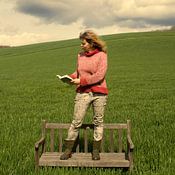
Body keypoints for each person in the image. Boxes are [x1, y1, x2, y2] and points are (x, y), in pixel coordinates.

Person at [60, 30, 108, 160]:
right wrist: (69, 77)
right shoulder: (80, 56)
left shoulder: (102, 55)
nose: (81, 45)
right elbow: (78, 72)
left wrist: (81, 81)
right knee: (76, 122)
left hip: (99, 93)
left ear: (91, 43)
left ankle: (96, 151)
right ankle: (68, 150)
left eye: (83, 43)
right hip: (82, 93)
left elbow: (99, 76)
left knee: (98, 122)